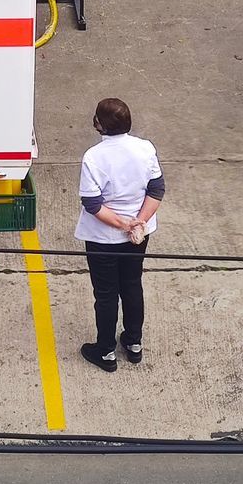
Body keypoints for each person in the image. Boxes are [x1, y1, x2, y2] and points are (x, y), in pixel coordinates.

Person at [76, 97, 164, 372]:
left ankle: (105, 351)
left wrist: (122, 224)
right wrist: (139, 222)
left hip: (103, 238)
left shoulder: (94, 157)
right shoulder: (145, 148)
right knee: (132, 284)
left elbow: (92, 204)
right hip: (140, 234)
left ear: (98, 124)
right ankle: (134, 343)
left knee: (106, 293)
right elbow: (156, 189)